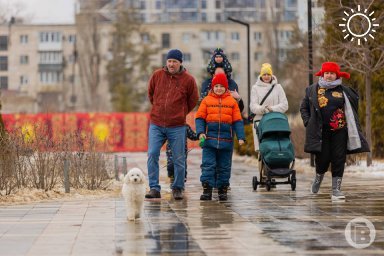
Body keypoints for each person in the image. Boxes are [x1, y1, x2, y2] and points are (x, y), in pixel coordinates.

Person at [300, 62, 369, 201]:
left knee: (339, 159)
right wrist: (308, 122)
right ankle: (318, 177)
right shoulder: (312, 90)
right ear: (323, 74)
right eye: (327, 73)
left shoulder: (345, 91)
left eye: (332, 73)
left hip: (340, 131)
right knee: (323, 159)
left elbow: (353, 109)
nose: (329, 76)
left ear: (337, 75)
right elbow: (304, 108)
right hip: (321, 132)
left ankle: (336, 189)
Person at [146, 49, 199, 200]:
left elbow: (193, 100)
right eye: (169, 61)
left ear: (180, 63)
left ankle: (178, 188)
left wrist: (180, 113)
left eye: (174, 61)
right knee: (152, 154)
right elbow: (151, 94)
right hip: (156, 123)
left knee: (179, 158)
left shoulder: (188, 80)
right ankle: (154, 188)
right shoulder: (157, 75)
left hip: (177, 126)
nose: (171, 64)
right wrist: (158, 108)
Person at [195, 73, 245, 201]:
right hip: (209, 140)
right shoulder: (206, 101)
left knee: (224, 166)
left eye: (221, 86)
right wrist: (200, 132)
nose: (218, 88)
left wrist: (241, 137)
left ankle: (223, 189)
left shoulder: (232, 102)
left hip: (226, 141)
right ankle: (207, 189)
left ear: (226, 87)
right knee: (208, 165)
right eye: (216, 86)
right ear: (212, 87)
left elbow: (237, 121)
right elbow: (200, 118)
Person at [250, 63, 288, 152]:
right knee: (262, 150)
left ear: (271, 75)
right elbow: (253, 106)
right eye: (264, 74)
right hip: (260, 121)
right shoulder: (255, 88)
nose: (266, 76)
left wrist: (272, 109)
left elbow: (285, 105)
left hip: (276, 121)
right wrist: (263, 109)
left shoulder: (278, 87)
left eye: (268, 74)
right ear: (261, 75)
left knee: (276, 146)